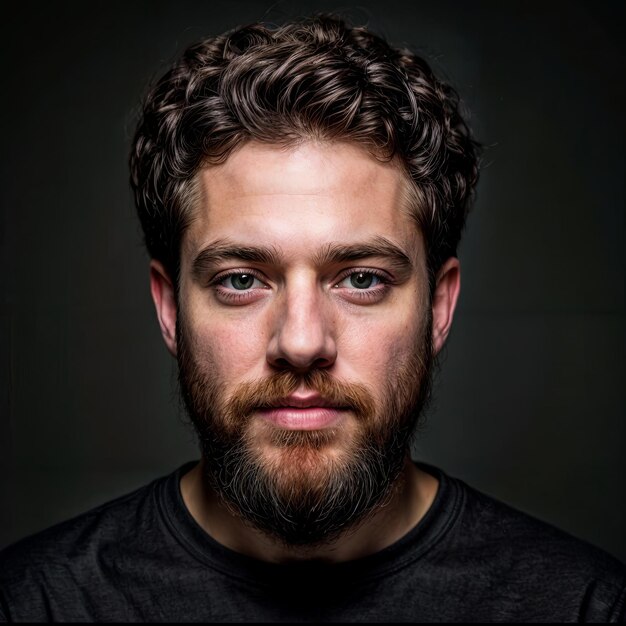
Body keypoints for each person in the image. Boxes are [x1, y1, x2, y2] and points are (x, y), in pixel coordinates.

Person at [1, 13, 624, 623]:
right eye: (241, 280)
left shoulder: (586, 607)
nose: (301, 342)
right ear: (170, 309)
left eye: (361, 279)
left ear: (438, 307)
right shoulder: (33, 605)